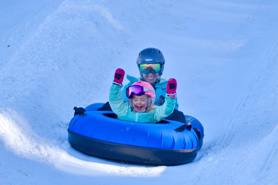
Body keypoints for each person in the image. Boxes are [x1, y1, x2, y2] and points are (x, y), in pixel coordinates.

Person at [121, 47, 186, 123]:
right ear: (140, 70)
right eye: (145, 68)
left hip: (157, 127)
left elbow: (173, 110)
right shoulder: (130, 87)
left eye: (155, 67)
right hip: (133, 122)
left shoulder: (166, 89)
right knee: (109, 106)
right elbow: (120, 107)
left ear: (161, 68)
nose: (150, 72)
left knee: (178, 115)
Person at [109, 68, 177, 123]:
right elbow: (114, 101)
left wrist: (170, 96)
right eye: (135, 100)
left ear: (150, 101)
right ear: (131, 101)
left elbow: (166, 110)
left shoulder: (153, 114)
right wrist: (116, 85)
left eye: (142, 100)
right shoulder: (124, 111)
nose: (138, 102)